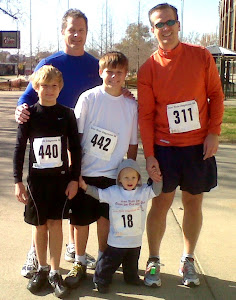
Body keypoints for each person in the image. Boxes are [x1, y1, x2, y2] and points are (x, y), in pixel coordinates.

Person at [137, 3, 224, 288]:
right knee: (161, 203)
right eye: (159, 25)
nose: (165, 28)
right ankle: (153, 260)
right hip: (165, 148)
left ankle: (188, 259)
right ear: (153, 30)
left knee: (193, 202)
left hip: (198, 147)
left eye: (169, 22)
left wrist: (213, 132)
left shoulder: (200, 57)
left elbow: (215, 95)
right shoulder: (148, 68)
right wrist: (150, 155)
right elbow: (146, 116)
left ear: (178, 23)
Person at [16, 8, 103, 278]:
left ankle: (71, 247)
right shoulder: (49, 63)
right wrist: (20, 109)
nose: (76, 35)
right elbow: (28, 97)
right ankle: (35, 252)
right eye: (71, 30)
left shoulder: (95, 65)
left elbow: (109, 88)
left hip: (81, 140)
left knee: (72, 197)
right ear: (63, 32)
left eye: (81, 30)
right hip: (51, 139)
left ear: (86, 33)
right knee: (43, 206)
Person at [64, 51, 138, 289]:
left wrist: (130, 172)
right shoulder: (88, 99)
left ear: (126, 75)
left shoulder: (130, 105)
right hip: (86, 172)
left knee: (106, 221)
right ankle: (80, 261)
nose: (114, 77)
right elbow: (75, 137)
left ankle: (104, 262)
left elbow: (133, 143)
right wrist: (74, 171)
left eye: (119, 73)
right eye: (109, 71)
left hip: (113, 175)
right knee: (81, 221)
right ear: (100, 72)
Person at [13, 65, 81, 298]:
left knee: (55, 224)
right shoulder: (29, 114)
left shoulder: (67, 114)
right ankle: (41, 269)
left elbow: (76, 149)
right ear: (36, 87)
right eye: (44, 86)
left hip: (60, 181)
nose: (49, 90)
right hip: (36, 182)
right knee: (39, 225)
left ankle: (54, 271)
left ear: (60, 88)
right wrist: (17, 181)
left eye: (54, 86)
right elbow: (20, 148)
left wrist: (74, 179)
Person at [80, 159, 162, 293]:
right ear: (119, 178)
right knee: (108, 263)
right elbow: (98, 194)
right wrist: (85, 187)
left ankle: (131, 278)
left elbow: (157, 191)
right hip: (117, 240)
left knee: (132, 263)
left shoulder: (142, 192)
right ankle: (100, 280)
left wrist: (157, 176)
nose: (130, 180)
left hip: (134, 240)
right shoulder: (113, 192)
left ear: (138, 178)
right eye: (126, 177)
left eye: (133, 177)